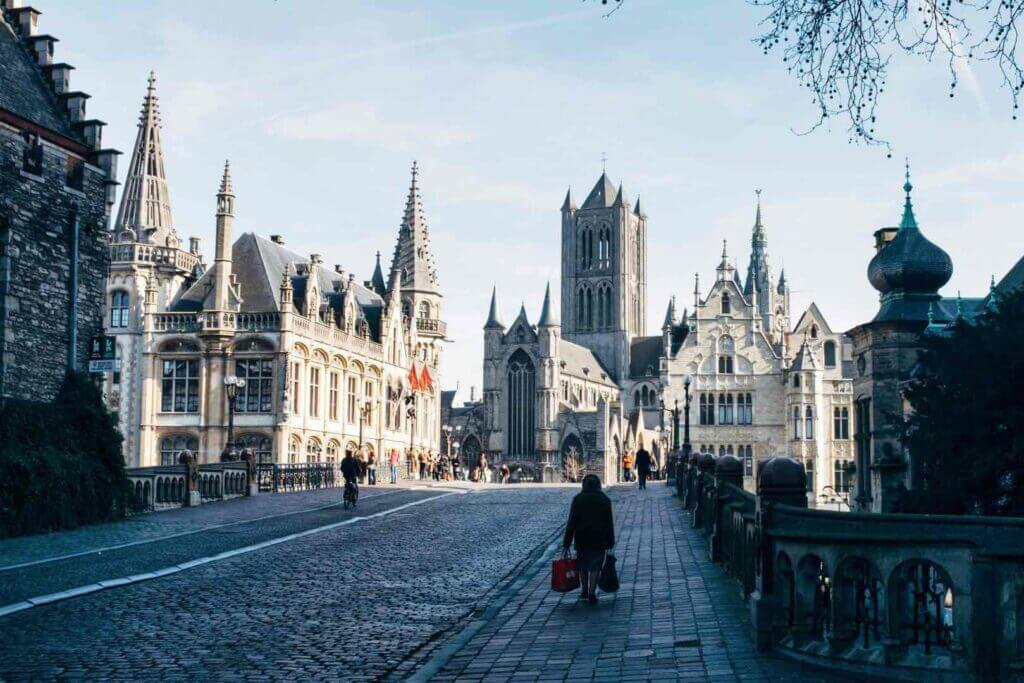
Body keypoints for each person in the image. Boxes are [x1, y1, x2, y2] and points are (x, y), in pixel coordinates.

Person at [562, 474, 614, 604]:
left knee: (583, 565)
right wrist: (610, 541)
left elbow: (571, 522)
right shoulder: (604, 499)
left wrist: (567, 541)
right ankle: (592, 592)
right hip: (599, 538)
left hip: (582, 538)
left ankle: (584, 590)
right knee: (596, 566)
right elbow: (609, 523)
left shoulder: (578, 499)